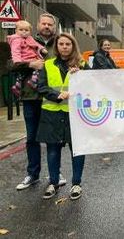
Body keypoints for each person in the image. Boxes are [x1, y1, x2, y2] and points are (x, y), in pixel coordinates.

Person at [12, 14, 67, 190]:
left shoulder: (59, 43)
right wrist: (30, 65)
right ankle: (33, 174)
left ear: (54, 26)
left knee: (54, 139)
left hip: (52, 98)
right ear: (38, 25)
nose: (46, 26)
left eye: (50, 24)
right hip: (31, 97)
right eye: (43, 23)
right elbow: (10, 64)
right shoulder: (23, 39)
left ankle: (55, 173)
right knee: (32, 137)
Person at [36, 33, 89, 199]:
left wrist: (81, 75)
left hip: (75, 115)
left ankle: (76, 184)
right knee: (52, 150)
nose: (65, 47)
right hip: (52, 114)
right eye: (61, 44)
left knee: (77, 150)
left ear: (73, 46)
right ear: (56, 46)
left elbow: (92, 86)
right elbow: (41, 87)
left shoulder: (82, 64)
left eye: (68, 44)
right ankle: (53, 182)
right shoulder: (48, 64)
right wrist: (57, 95)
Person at [8, 20, 48, 97]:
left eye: (26, 30)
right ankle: (33, 81)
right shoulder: (16, 40)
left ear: (30, 31)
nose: (24, 32)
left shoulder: (30, 38)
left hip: (31, 58)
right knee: (39, 66)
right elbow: (15, 51)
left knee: (22, 74)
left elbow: (36, 44)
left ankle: (17, 85)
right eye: (21, 30)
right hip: (24, 59)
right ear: (16, 30)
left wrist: (42, 49)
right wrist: (17, 61)